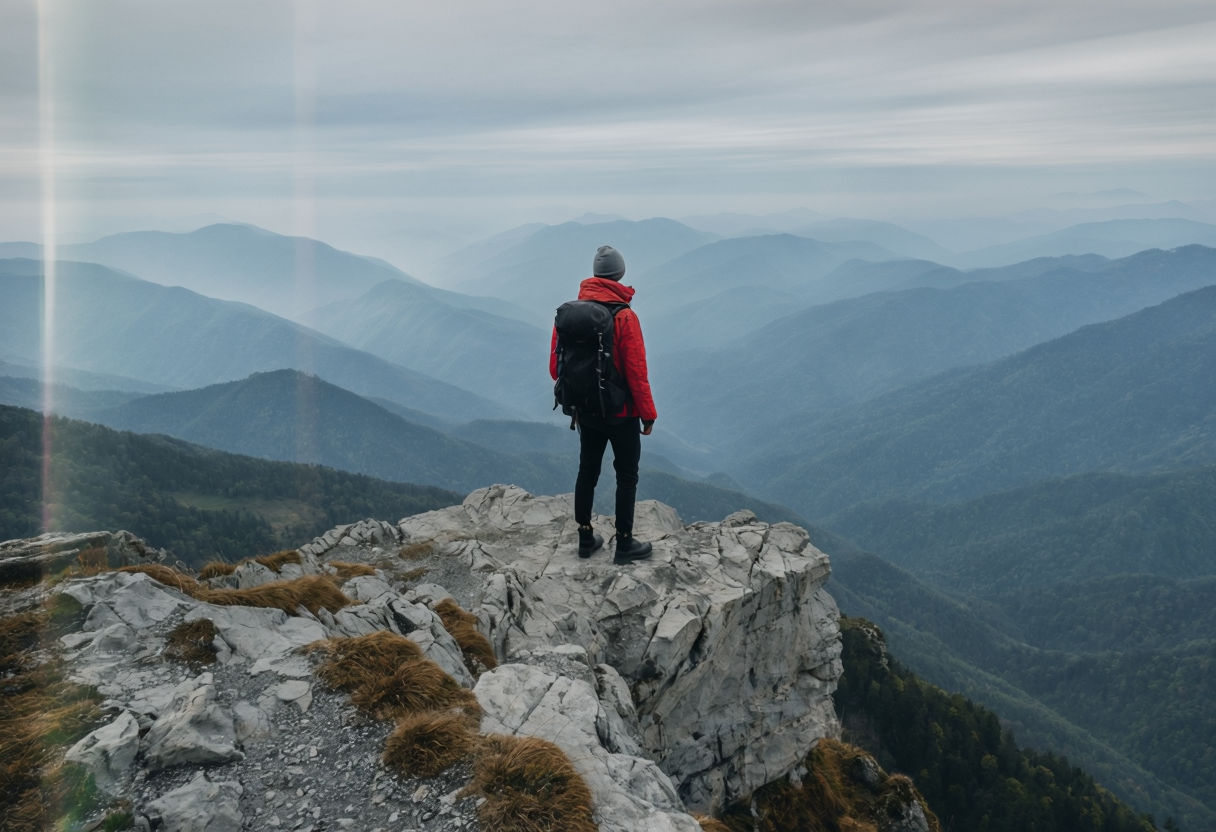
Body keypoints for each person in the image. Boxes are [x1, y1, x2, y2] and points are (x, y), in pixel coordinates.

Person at [550, 245, 658, 564]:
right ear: (620, 275)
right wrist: (648, 415)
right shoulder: (624, 316)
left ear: (596, 276)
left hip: (587, 410)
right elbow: (637, 373)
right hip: (621, 413)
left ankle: (586, 537)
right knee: (626, 475)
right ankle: (624, 544)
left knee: (588, 469)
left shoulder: (570, 315)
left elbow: (556, 368)